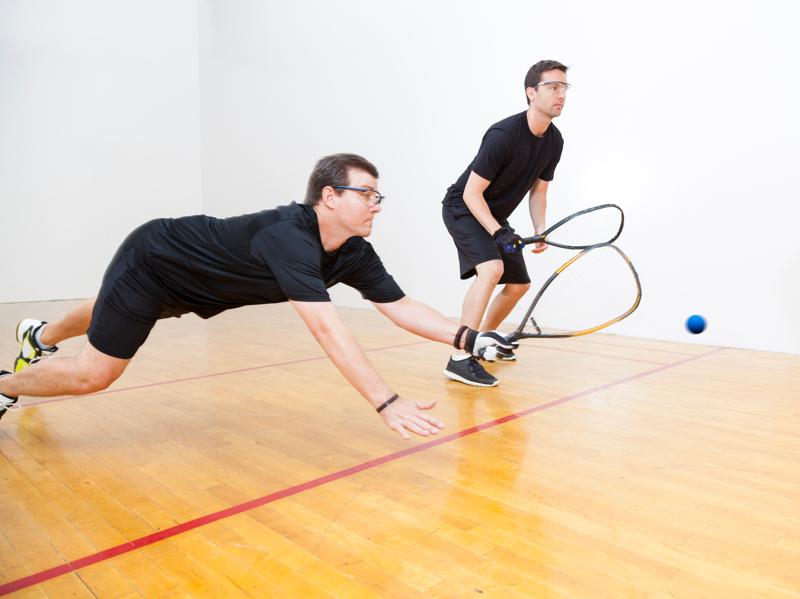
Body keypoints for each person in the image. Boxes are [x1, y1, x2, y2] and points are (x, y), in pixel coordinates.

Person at [0, 153, 514, 439]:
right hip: (155, 260)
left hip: (196, 285)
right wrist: (385, 401)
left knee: (109, 307)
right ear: (329, 197)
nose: (377, 206)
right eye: (367, 194)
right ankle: (6, 385)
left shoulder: (353, 250)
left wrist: (471, 338)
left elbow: (401, 307)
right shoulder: (290, 237)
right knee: (95, 374)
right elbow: (326, 328)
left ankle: (38, 334)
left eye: (379, 196)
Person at [441, 59, 568, 387]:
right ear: (531, 93)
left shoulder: (555, 142)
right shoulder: (503, 135)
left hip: (495, 217)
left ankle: (481, 341)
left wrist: (540, 229)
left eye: (564, 87)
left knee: (518, 285)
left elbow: (539, 192)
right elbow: (471, 193)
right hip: (463, 208)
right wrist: (498, 232)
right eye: (553, 87)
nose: (561, 94)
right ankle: (460, 357)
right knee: (491, 269)